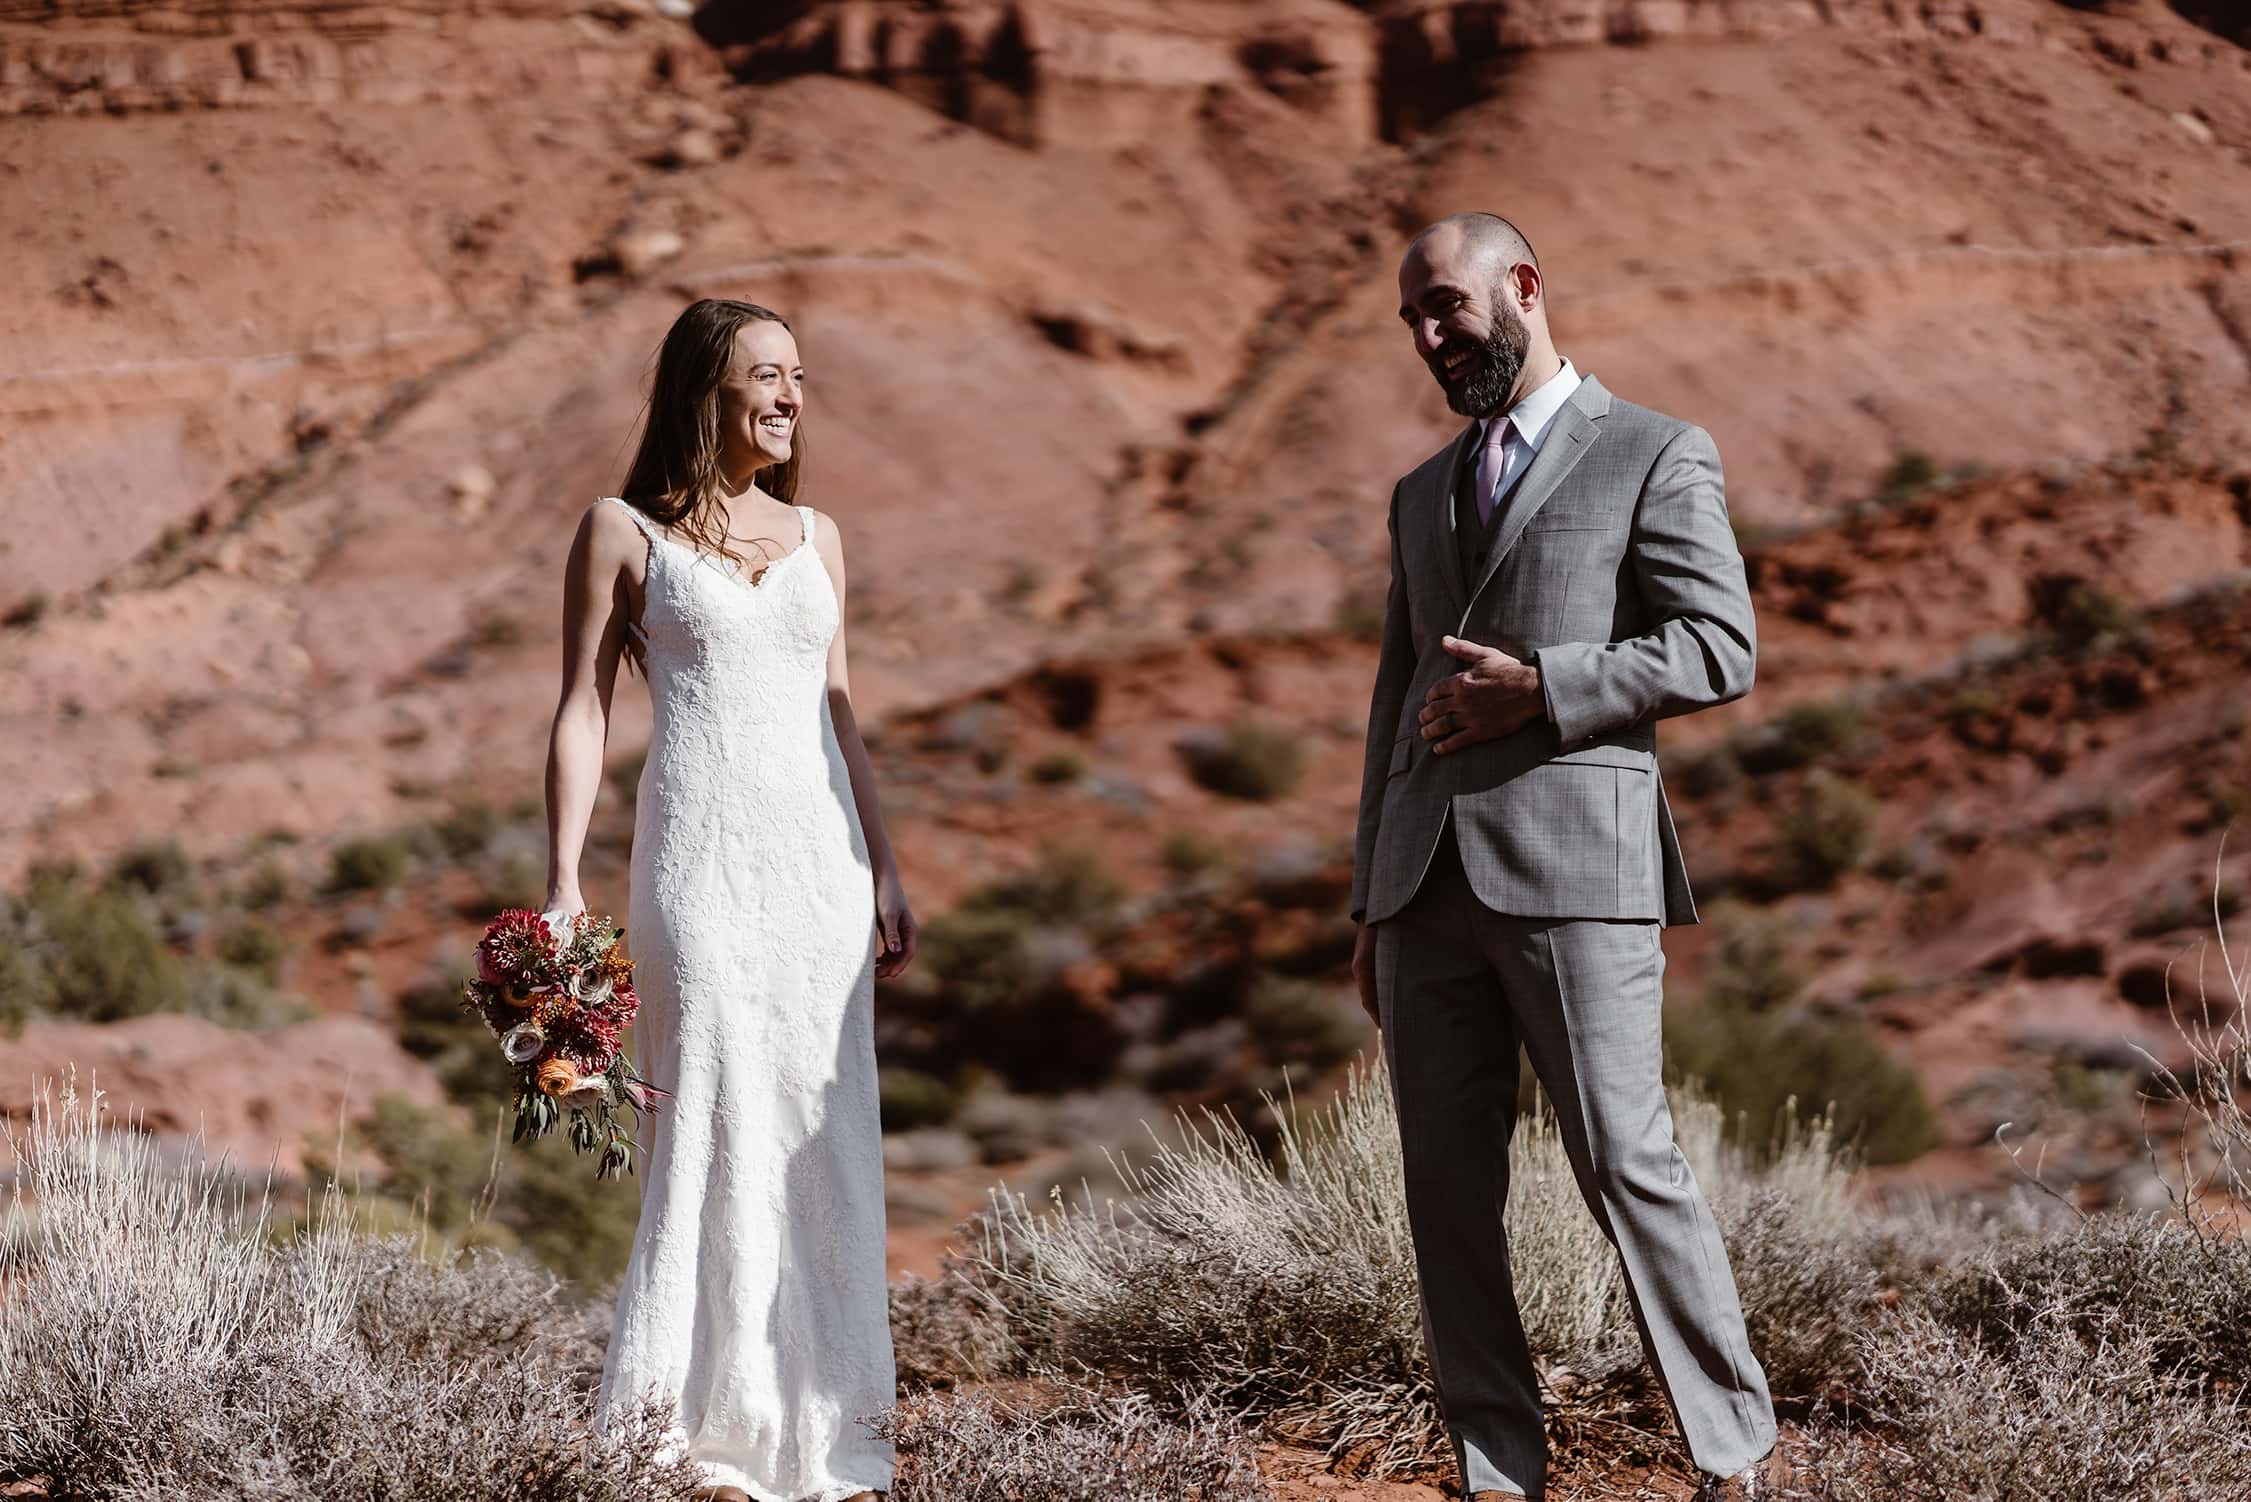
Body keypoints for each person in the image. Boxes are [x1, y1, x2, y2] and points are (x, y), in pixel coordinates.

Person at [1349, 214, 1781, 1500]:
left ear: (1521, 288)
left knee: (1624, 1162)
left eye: (1446, 308)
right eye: (1414, 322)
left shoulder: (1655, 451)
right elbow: (1392, 703)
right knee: (1444, 1194)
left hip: (1579, 875)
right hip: (1424, 884)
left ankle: (1732, 1453)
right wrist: (1370, 896)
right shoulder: (1418, 492)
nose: (1431, 338)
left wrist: (1545, 688)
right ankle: (1497, 1472)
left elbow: (1720, 645)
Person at [545, 296, 914, 1502]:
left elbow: (840, 712)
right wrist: (561, 885)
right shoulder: (621, 530)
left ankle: (834, 1435)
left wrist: (888, 864)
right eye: (766, 374)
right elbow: (583, 710)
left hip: (819, 869)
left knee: (826, 1130)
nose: (790, 396)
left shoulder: (821, 536)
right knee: (702, 1111)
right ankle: (691, 1432)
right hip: (695, 860)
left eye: (800, 376)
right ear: (704, 389)